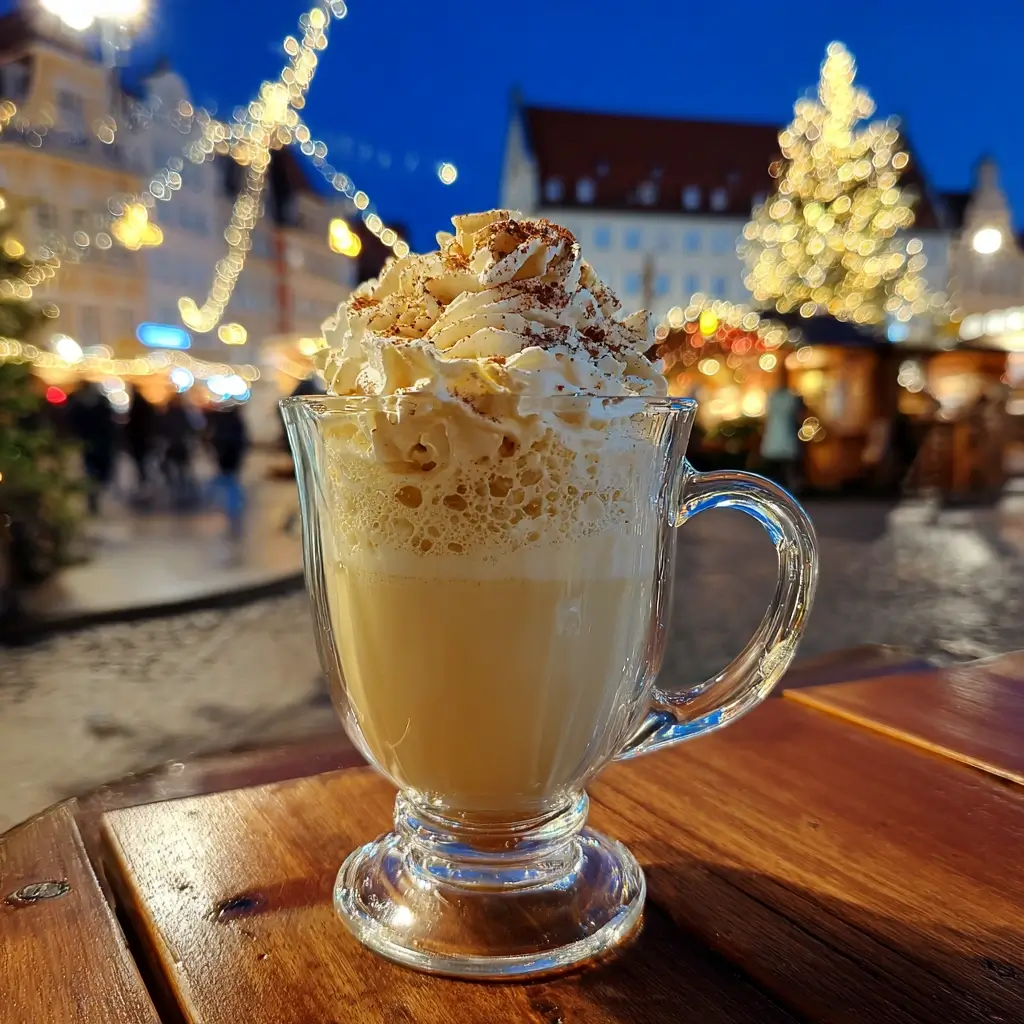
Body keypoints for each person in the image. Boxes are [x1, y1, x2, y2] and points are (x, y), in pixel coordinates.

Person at [67, 382, 116, 515]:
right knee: (95, 472)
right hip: (96, 444)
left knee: (96, 472)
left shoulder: (84, 405)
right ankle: (93, 497)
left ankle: (93, 497)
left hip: (96, 444)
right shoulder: (95, 405)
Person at [207, 401, 250, 538]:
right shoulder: (237, 424)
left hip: (225, 457)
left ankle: (230, 504)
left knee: (227, 479)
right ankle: (234, 504)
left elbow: (215, 439)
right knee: (232, 480)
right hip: (232, 457)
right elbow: (243, 441)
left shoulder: (222, 424)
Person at [759, 374, 803, 491]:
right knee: (783, 468)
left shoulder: (773, 397)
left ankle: (781, 490)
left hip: (777, 438)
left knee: (780, 469)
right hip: (783, 437)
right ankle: (785, 490)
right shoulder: (789, 397)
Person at [161, 392, 198, 506]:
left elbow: (162, 429)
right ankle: (182, 487)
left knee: (174, 467)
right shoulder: (183, 414)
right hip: (179, 445)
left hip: (175, 445)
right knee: (181, 468)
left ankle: (177, 487)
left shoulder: (169, 414)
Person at [125, 387, 158, 498]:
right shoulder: (146, 408)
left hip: (139, 441)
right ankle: (146, 482)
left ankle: (145, 482)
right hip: (143, 441)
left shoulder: (136, 410)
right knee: (144, 463)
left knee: (142, 464)